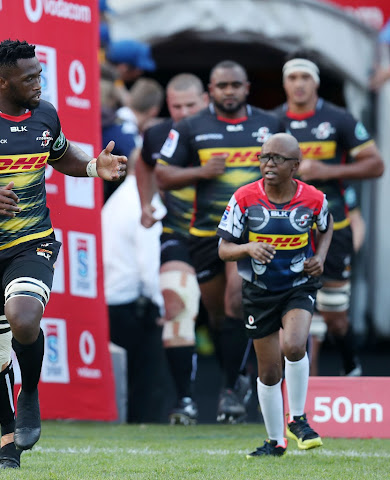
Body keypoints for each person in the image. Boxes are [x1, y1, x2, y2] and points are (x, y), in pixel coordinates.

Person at [0, 39, 127, 469]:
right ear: (2, 81)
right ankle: (7, 435)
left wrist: (93, 166)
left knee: (23, 317)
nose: (39, 83)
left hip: (33, 240)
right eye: (30, 77)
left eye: (40, 74)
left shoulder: (45, 113)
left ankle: (30, 392)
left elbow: (59, 156)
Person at [156, 60, 282, 423]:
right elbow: (163, 175)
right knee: (216, 315)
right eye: (222, 85)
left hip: (253, 235)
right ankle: (237, 379)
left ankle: (230, 388)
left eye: (235, 85)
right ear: (211, 90)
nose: (229, 91)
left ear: (247, 88)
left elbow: (293, 168)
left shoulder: (270, 125)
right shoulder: (191, 127)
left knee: (234, 303)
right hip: (205, 234)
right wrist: (201, 171)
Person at [217, 133, 333, 457]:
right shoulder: (243, 198)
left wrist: (320, 257)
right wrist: (248, 247)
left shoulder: (313, 199)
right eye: (264, 157)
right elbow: (224, 249)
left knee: (294, 346)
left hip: (298, 286)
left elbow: (327, 225)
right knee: (268, 373)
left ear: (295, 166)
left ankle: (297, 418)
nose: (269, 163)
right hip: (259, 291)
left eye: (277, 158)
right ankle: (275, 441)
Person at [275, 56, 384, 376]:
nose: (298, 83)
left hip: (332, 227)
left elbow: (375, 164)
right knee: (291, 316)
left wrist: (327, 169)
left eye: (304, 77)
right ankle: (303, 392)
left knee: (334, 315)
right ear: (285, 83)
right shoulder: (273, 121)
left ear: (316, 82)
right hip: (284, 229)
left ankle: (352, 367)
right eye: (292, 77)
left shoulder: (338, 119)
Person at [137, 73, 209, 424]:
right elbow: (143, 161)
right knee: (175, 302)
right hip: (178, 232)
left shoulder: (230, 131)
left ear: (205, 101)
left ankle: (235, 391)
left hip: (228, 238)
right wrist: (146, 203)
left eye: (190, 105)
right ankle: (185, 401)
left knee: (232, 313)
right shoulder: (157, 134)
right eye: (176, 106)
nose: (182, 112)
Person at [102, 150, 165, 423]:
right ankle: (143, 426)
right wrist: (160, 303)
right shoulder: (146, 203)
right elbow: (148, 261)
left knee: (126, 379)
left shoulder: (116, 199)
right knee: (145, 381)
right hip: (134, 303)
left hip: (111, 298)